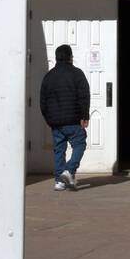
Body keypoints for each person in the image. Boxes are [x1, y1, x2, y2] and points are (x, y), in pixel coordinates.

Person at [39, 44, 91, 190]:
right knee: (80, 144)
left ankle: (59, 181)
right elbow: (84, 96)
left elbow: (42, 101)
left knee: (59, 149)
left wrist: (48, 119)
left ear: (56, 58)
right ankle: (69, 170)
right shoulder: (77, 74)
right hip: (73, 120)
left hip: (55, 122)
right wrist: (84, 115)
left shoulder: (49, 76)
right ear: (70, 57)